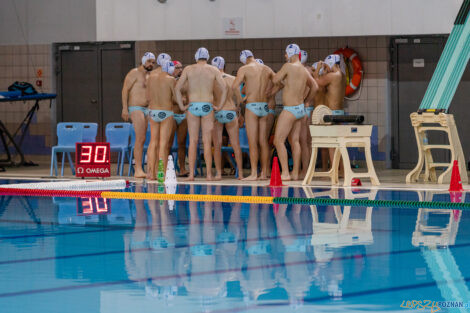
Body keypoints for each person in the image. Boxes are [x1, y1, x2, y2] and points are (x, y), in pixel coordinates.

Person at [175, 47, 227, 181]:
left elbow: (177, 88)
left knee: (193, 141)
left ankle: (191, 174)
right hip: (207, 106)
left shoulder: (188, 69)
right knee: (207, 141)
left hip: (192, 106)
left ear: (196, 57)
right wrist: (220, 106)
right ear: (207, 57)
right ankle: (209, 174)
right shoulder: (213, 69)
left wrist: (182, 106)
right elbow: (224, 88)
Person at [271, 44, 318, 181]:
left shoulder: (288, 67)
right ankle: (296, 173)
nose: (285, 57)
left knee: (278, 141)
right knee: (295, 141)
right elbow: (314, 86)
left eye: (286, 54)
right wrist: (306, 101)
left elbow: (274, 80)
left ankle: (285, 173)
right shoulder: (304, 70)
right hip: (300, 110)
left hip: (290, 110)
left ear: (290, 54)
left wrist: (277, 76)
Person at [232, 50, 275, 181]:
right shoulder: (266, 68)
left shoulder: (244, 68)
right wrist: (270, 92)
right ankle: (264, 173)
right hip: (264, 106)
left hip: (252, 106)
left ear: (244, 59)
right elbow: (280, 82)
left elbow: (234, 87)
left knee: (252, 143)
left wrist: (242, 100)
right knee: (263, 141)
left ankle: (253, 174)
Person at [121, 52, 155, 178]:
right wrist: (125, 108)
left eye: (153, 62)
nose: (151, 64)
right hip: (135, 108)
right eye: (149, 61)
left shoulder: (150, 75)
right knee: (140, 138)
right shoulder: (134, 73)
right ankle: (138, 169)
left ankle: (147, 168)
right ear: (143, 60)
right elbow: (125, 90)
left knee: (146, 139)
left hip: (147, 109)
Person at [211, 56, 244, 180]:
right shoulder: (233, 79)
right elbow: (239, 99)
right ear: (224, 66)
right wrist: (239, 111)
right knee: (236, 144)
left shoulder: (212, 80)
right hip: (230, 111)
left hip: (217, 112)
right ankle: (240, 173)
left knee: (217, 145)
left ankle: (218, 173)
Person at [146, 61, 176, 180]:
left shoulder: (150, 78)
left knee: (153, 143)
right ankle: (161, 174)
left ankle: (150, 173)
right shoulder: (170, 79)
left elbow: (148, 97)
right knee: (163, 144)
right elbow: (175, 97)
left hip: (153, 112)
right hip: (166, 112)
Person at [316, 55, 347, 167]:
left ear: (330, 64)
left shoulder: (333, 75)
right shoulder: (342, 76)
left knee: (331, 145)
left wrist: (319, 69)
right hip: (340, 112)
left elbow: (316, 82)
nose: (326, 68)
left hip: (331, 114)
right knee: (339, 143)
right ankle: (342, 170)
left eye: (326, 66)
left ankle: (334, 170)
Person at [168, 60, 189, 177]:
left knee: (182, 143)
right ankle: (169, 169)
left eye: (181, 67)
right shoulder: (168, 81)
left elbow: (189, 97)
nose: (180, 70)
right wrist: (180, 100)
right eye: (177, 68)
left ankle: (182, 169)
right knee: (168, 144)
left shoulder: (185, 82)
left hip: (183, 115)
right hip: (172, 114)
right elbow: (166, 98)